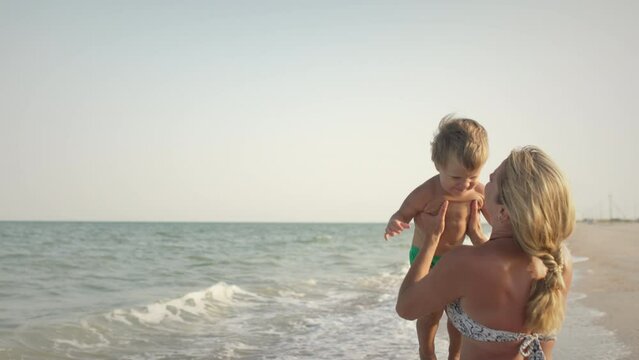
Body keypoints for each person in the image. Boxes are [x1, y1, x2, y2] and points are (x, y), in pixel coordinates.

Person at [396, 146, 575, 360]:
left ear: (503, 211)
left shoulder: (464, 262)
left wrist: (431, 239)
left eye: (492, 179)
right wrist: (480, 238)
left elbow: (406, 307)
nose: (483, 182)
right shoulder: (559, 261)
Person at [384, 114, 489, 360]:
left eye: (473, 177)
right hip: (426, 258)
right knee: (431, 312)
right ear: (438, 165)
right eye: (456, 177)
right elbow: (404, 212)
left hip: (457, 260)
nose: (465, 184)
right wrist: (396, 222)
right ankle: (427, 351)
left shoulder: (478, 192)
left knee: (460, 313)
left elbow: (499, 222)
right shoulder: (428, 191)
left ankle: (455, 354)